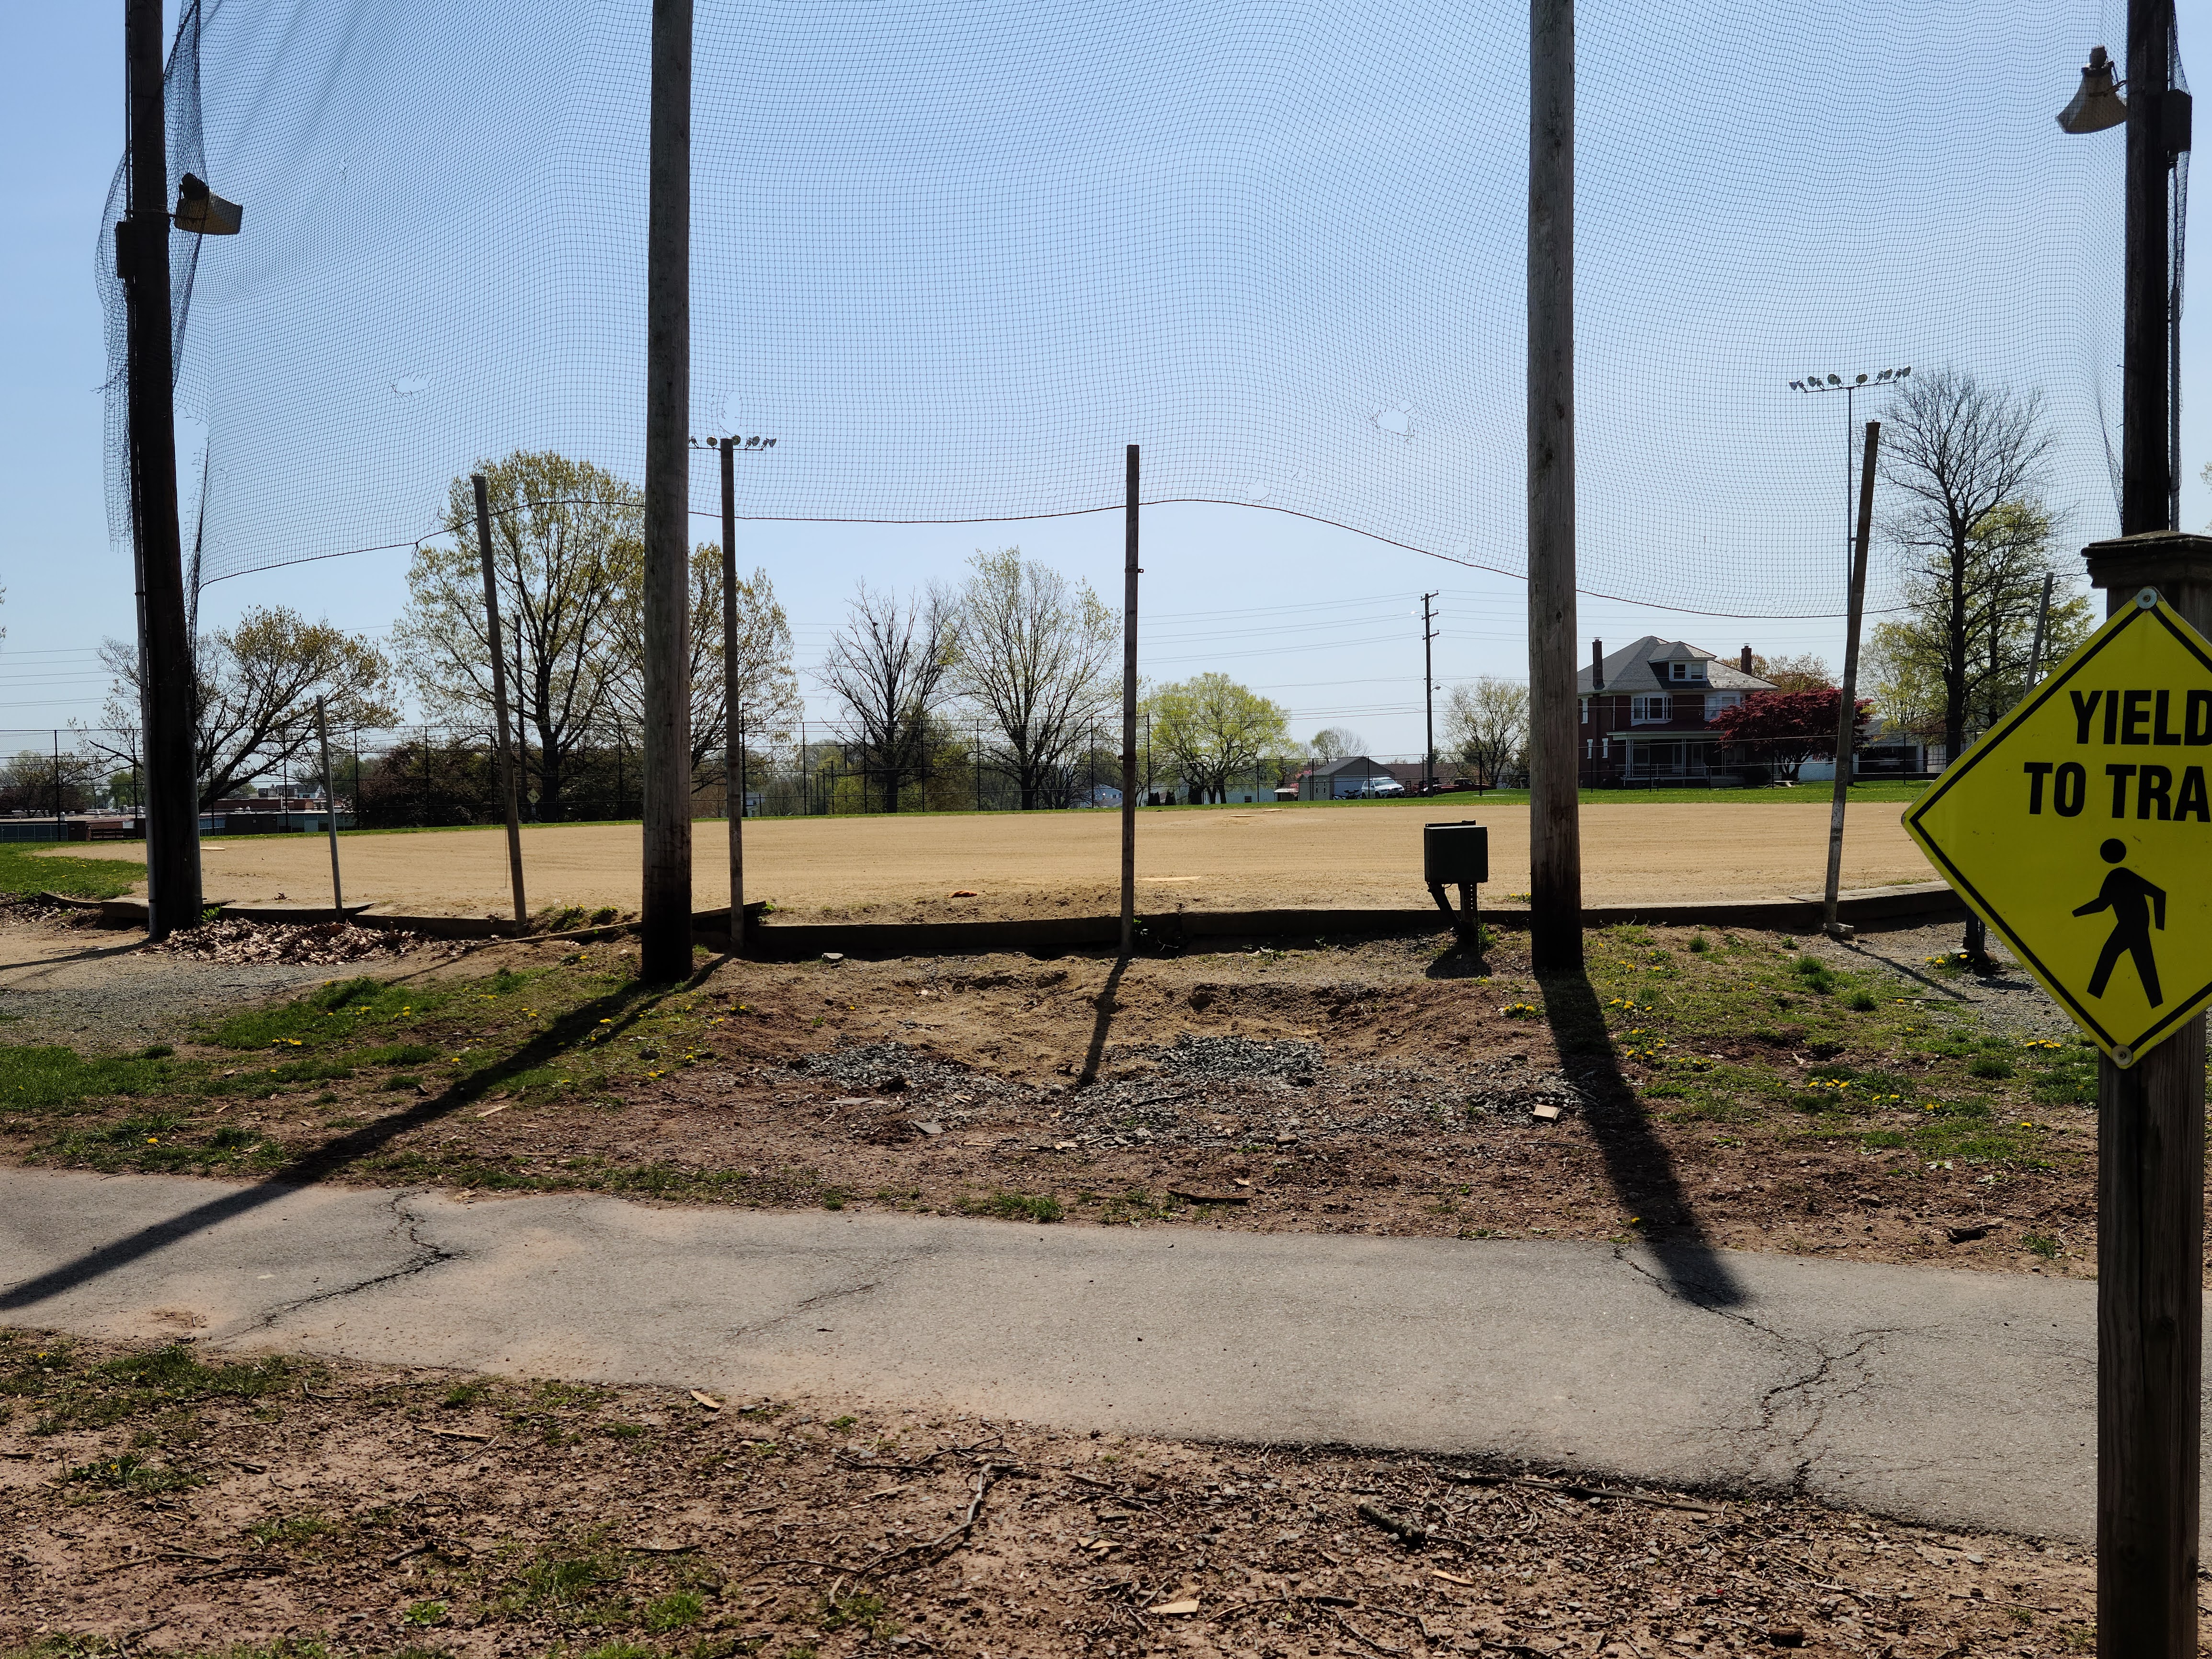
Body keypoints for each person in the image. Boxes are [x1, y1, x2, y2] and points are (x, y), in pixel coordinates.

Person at [2073, 838, 2166, 1006]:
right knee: (2144, 966)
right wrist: (2076, 913)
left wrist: (2160, 927)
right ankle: (2157, 1004)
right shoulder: (2120, 874)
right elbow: (2103, 904)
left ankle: (2093, 998)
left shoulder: (2119, 875)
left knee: (2110, 955)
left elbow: (2159, 894)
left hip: (2131, 925)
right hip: (2135, 925)